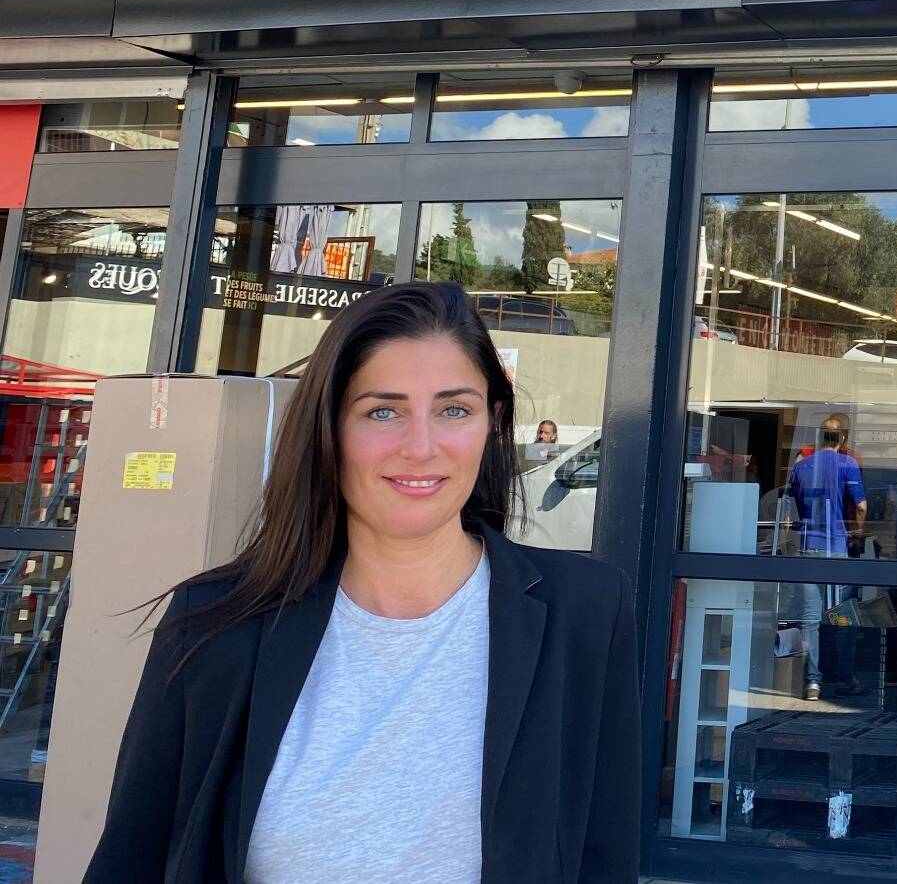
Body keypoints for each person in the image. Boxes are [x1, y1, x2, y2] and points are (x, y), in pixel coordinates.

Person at [85, 281, 640, 883]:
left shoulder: (584, 612)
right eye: (383, 411)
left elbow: (602, 855)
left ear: (491, 422)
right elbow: (131, 860)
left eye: (454, 409)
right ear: (330, 429)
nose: (422, 447)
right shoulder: (218, 624)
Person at [785, 412, 866, 701]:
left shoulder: (802, 465)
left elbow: (791, 503)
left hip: (808, 548)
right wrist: (857, 534)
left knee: (810, 619)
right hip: (836, 549)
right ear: (843, 438)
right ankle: (845, 678)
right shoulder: (848, 463)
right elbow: (861, 507)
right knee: (843, 616)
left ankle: (812, 683)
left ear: (820, 437)